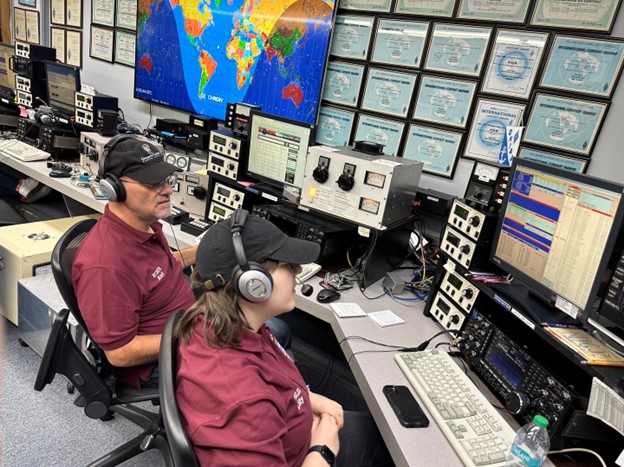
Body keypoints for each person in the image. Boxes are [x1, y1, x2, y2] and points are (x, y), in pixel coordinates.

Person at [175, 209, 391, 466]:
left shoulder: (224, 321)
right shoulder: (243, 402)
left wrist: (309, 400)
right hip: (310, 453)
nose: (299, 269)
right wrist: (323, 448)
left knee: (387, 431)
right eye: (287, 265)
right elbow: (252, 404)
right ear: (253, 284)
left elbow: (274, 383)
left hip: (296, 429)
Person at [72, 135, 291, 389]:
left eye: (165, 180)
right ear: (115, 189)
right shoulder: (105, 266)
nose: (167, 189)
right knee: (274, 332)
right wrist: (196, 334)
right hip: (157, 361)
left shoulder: (142, 225)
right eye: (153, 183)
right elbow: (120, 352)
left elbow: (157, 270)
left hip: (187, 326)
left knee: (272, 328)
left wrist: (207, 249)